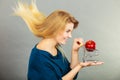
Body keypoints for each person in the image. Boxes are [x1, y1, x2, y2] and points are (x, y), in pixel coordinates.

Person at [14, 1, 104, 80]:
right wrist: (80, 66)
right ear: (55, 29)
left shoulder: (55, 48)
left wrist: (75, 51)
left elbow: (70, 74)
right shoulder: (40, 58)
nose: (70, 36)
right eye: (68, 31)